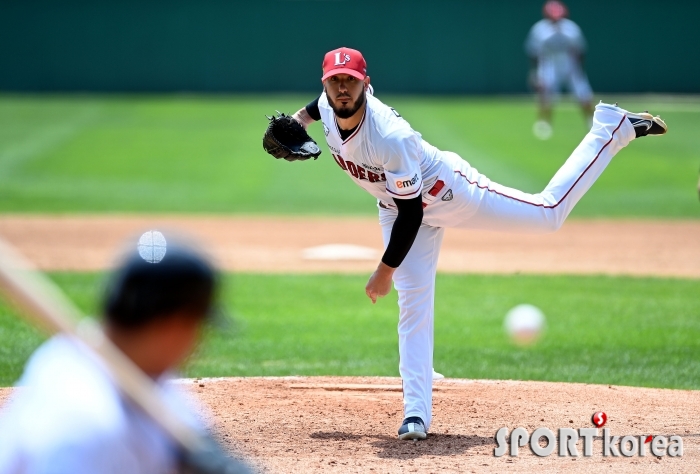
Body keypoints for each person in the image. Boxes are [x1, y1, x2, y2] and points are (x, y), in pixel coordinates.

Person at [271, 46, 667, 441]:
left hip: (450, 195)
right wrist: (297, 121)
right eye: (335, 81)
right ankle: (415, 415)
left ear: (366, 84)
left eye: (351, 81)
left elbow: (414, 215)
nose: (342, 89)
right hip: (396, 206)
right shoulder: (327, 102)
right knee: (413, 304)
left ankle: (611, 129)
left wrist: (383, 271)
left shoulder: (390, 137)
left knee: (548, 214)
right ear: (325, 83)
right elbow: (318, 108)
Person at [0, 234, 250, 473]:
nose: (198, 343)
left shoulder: (134, 372)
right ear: (175, 326)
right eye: (198, 326)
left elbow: (184, 423)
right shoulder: (84, 427)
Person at [525, 0, 594, 140]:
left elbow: (580, 51)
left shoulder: (571, 28)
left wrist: (578, 70)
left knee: (583, 94)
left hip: (569, 64)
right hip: (549, 64)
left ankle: (591, 122)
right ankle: (544, 123)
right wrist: (535, 72)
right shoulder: (539, 29)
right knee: (546, 94)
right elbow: (533, 52)